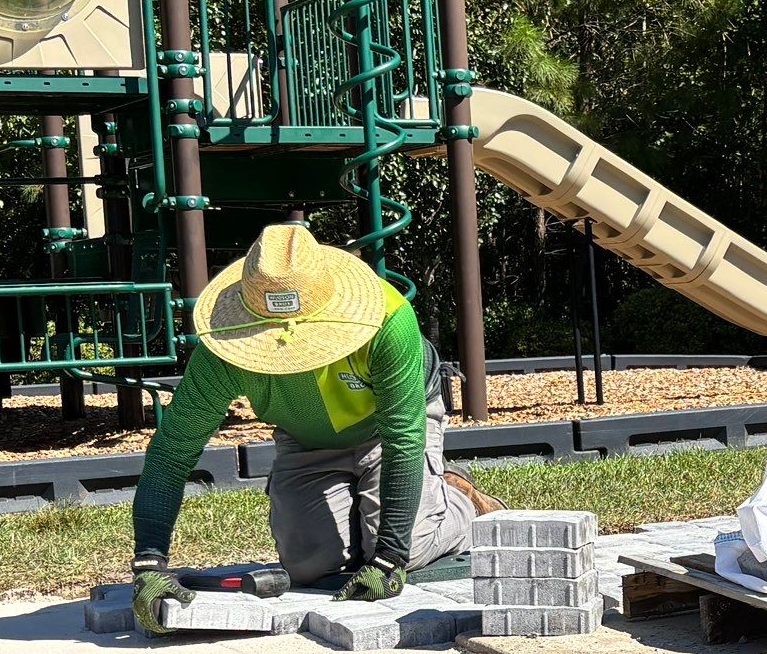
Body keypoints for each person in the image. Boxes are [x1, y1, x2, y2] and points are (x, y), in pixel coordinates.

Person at [127, 224, 495, 632]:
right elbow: (173, 449)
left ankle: (460, 499)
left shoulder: (389, 321)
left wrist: (390, 558)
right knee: (308, 563)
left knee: (407, 547)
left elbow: (403, 440)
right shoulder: (223, 348)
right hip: (307, 438)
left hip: (389, 429)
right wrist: (149, 559)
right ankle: (377, 511)